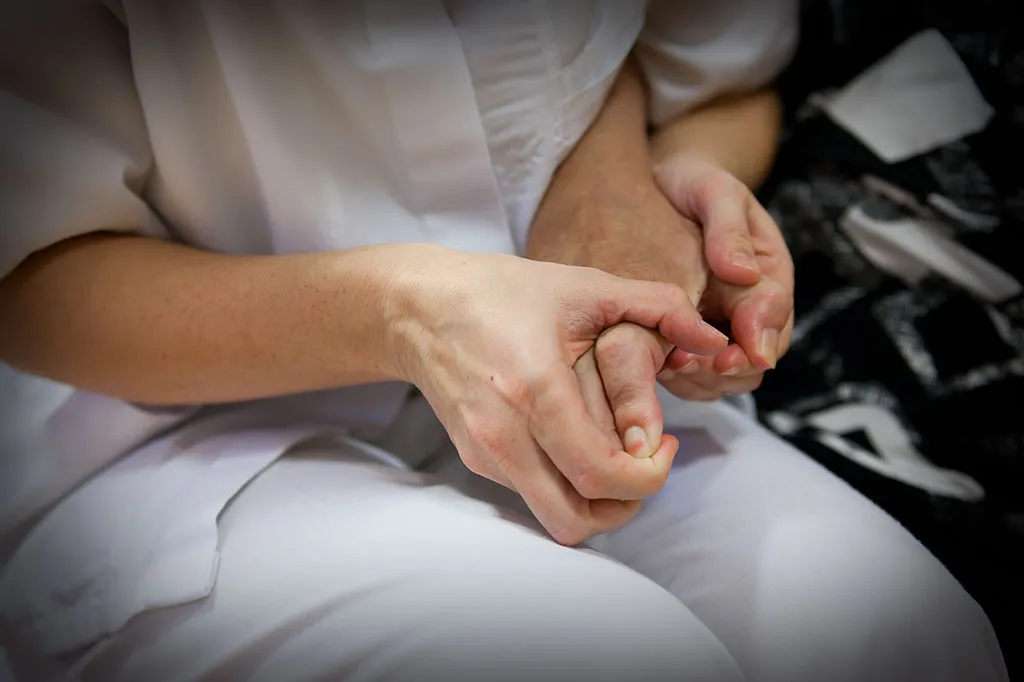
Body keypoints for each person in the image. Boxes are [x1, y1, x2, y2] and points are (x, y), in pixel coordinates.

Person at [0, 2, 1008, 681]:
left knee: (901, 631)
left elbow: (722, 79)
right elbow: (30, 281)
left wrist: (654, 183)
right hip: (167, 437)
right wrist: (409, 310)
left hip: (589, 378)